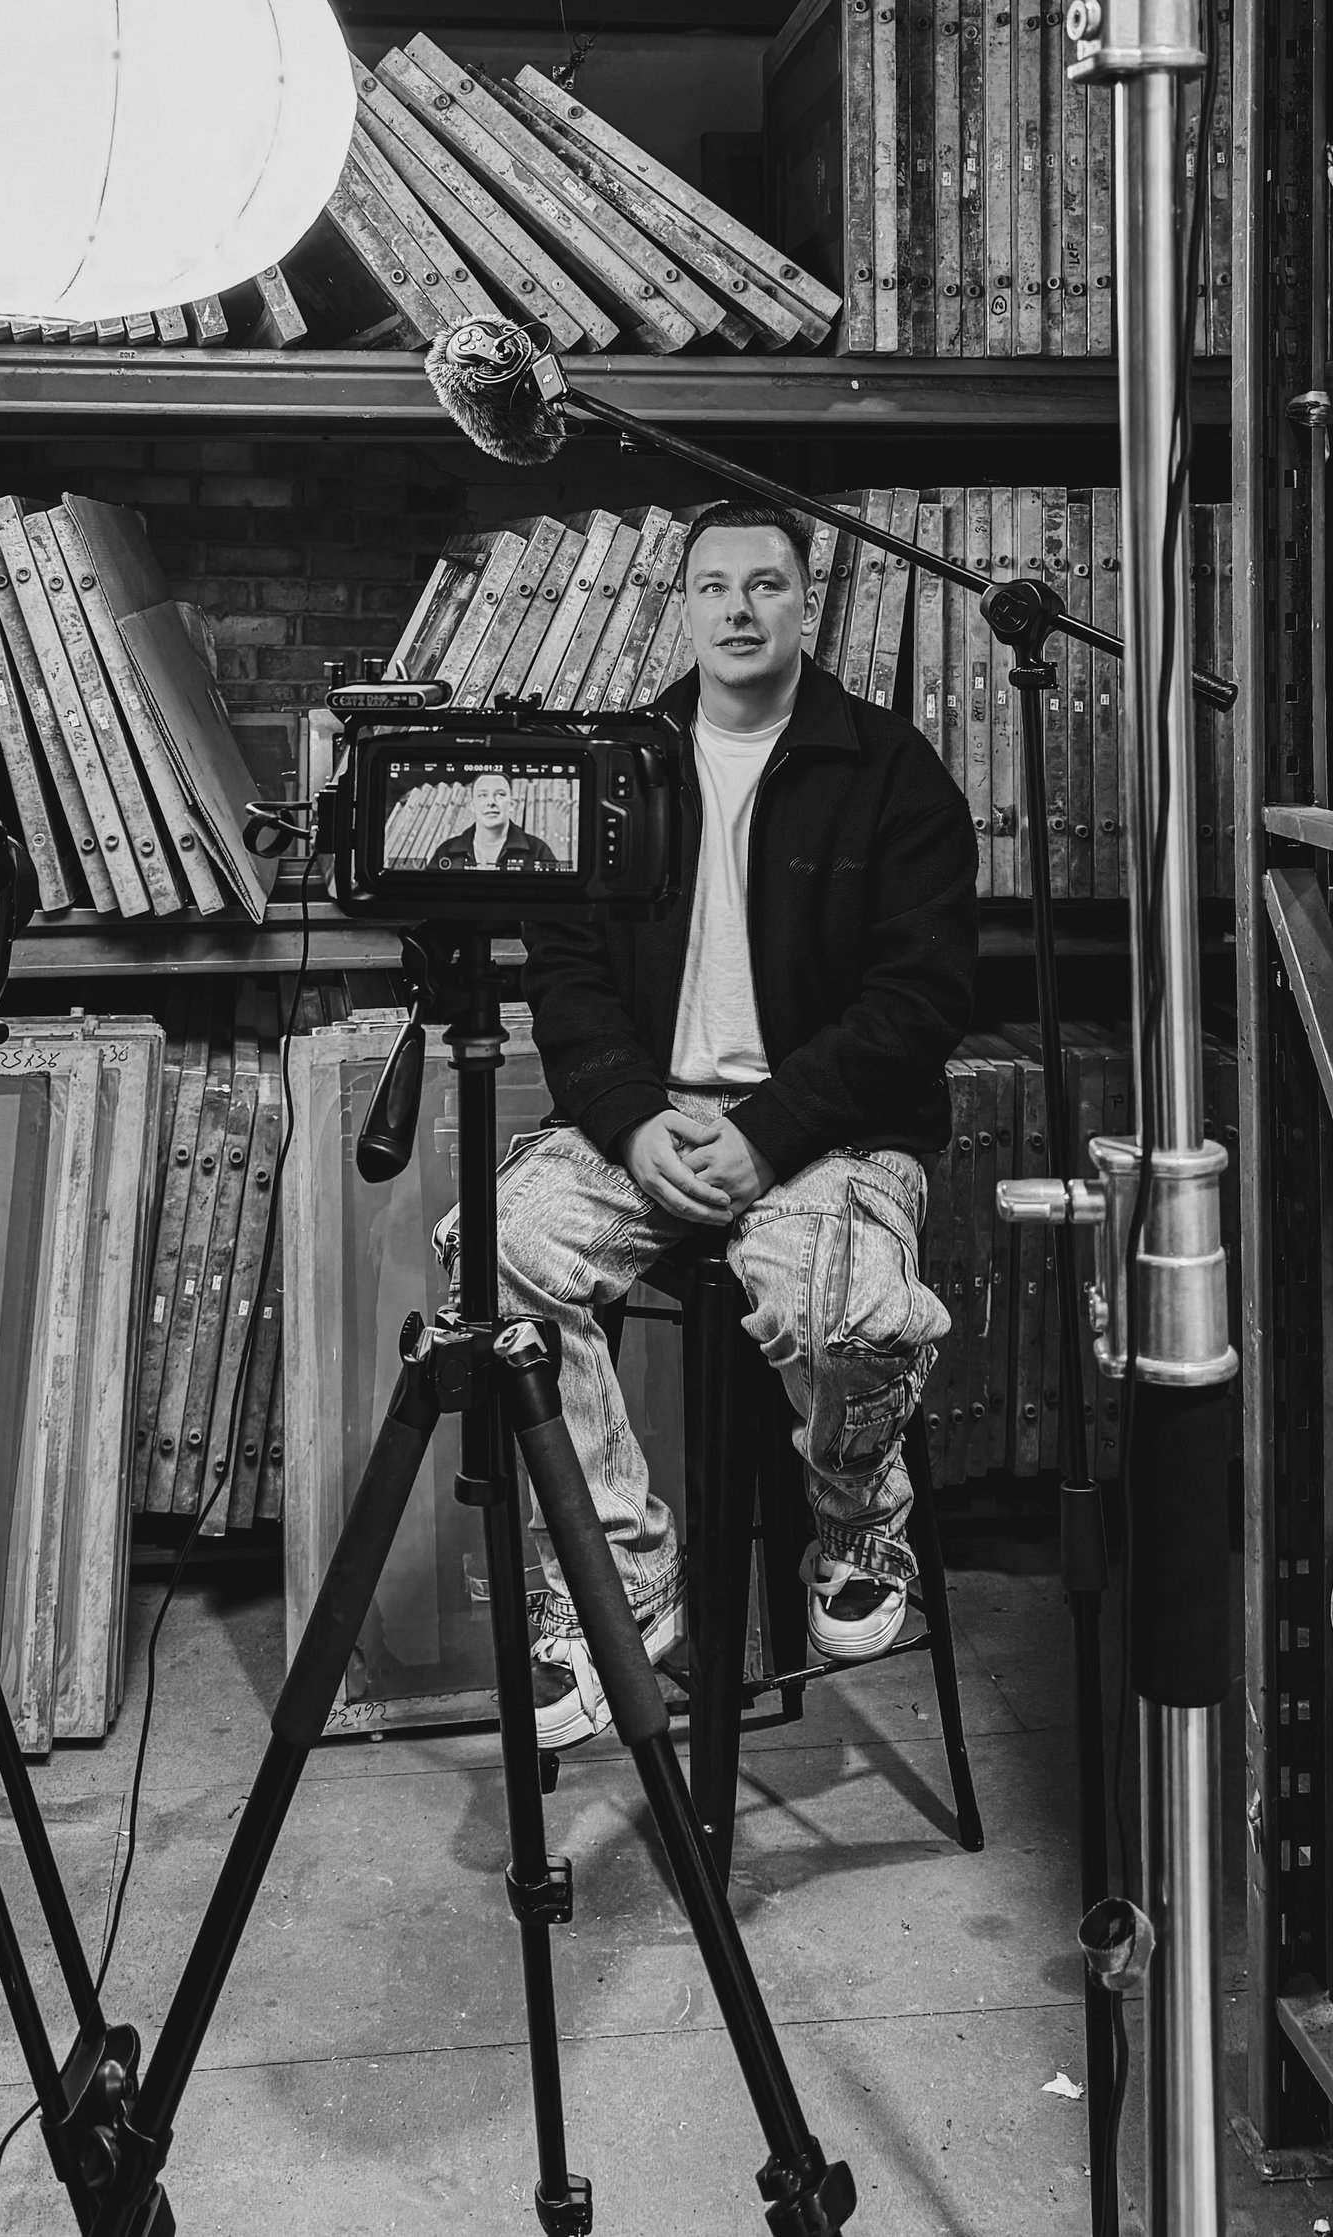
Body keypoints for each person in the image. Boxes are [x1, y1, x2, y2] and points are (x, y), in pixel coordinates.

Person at [501, 501, 978, 1749]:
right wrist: (631, 1121)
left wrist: (767, 1130)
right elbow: (564, 973)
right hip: (649, 1120)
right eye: (713, 585)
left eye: (765, 584)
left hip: (830, 1131)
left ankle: (854, 1518)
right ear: (682, 605)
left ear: (805, 603)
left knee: (851, 1311)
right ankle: (618, 1581)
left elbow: (920, 997)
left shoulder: (891, 771)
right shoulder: (619, 768)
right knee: (497, 1254)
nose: (738, 609)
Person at [429, 764, 562, 874]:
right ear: (472, 806)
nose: (491, 802)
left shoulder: (538, 850)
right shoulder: (446, 851)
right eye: (482, 795)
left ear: (512, 805)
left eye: (500, 794)